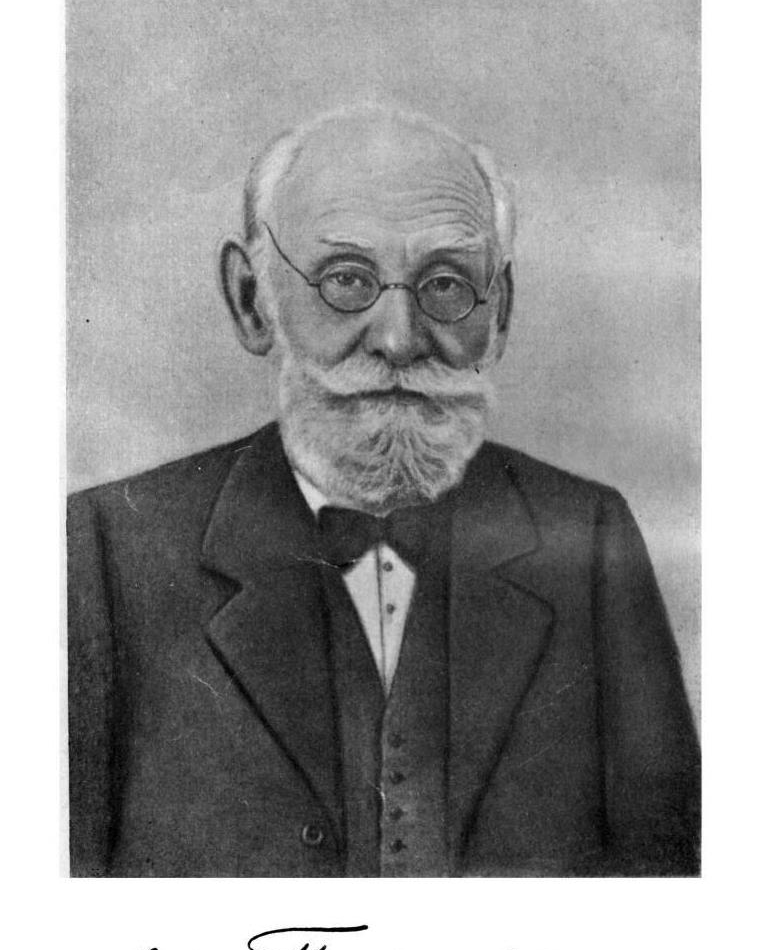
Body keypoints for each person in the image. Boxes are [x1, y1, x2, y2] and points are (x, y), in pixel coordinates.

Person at [67, 105, 700, 877]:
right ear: (251, 300)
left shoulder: (591, 536)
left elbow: (666, 901)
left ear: (499, 311)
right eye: (346, 279)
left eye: (446, 283)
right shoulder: (103, 550)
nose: (398, 338)